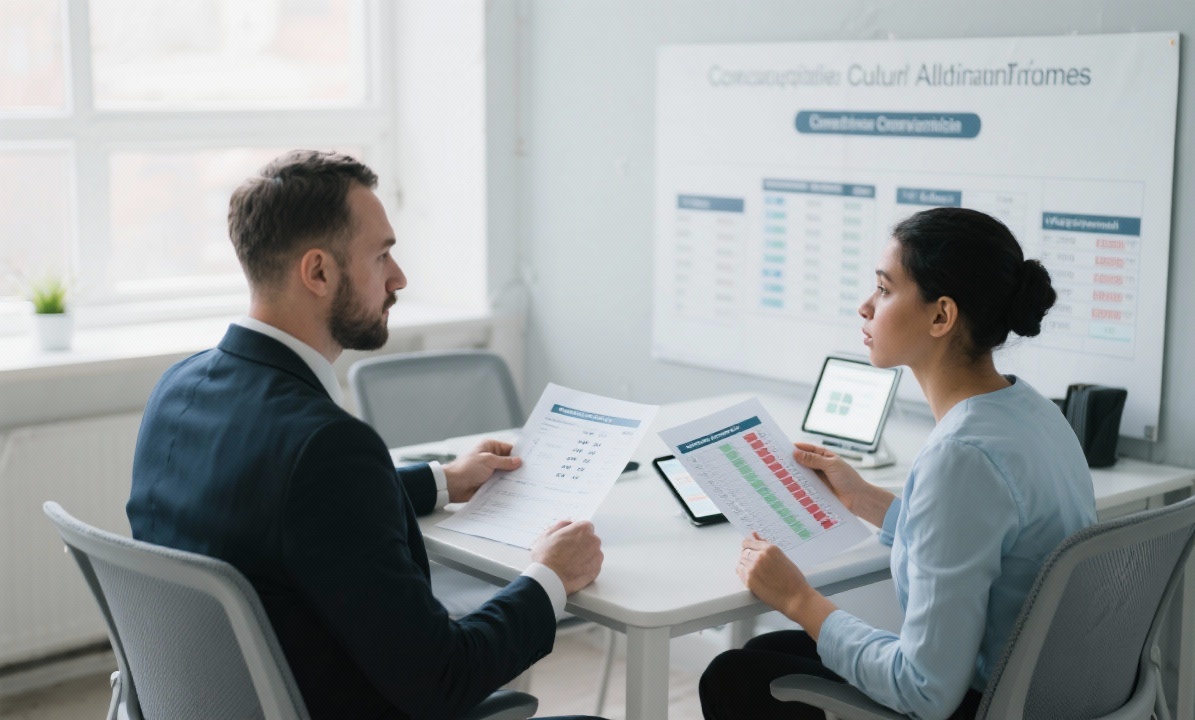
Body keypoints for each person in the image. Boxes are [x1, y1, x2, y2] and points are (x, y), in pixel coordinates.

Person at [128, 150, 605, 720]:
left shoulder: (177, 388)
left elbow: (280, 509)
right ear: (319, 272)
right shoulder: (327, 447)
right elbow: (443, 678)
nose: (399, 278)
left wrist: (442, 481)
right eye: (382, 256)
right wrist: (549, 577)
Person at [699, 207, 1097, 720]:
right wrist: (863, 497)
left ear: (941, 316)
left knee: (736, 677)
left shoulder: (960, 456)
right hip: (1047, 691)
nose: (866, 307)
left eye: (885, 290)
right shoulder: (1033, 411)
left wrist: (797, 597)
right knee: (763, 655)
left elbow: (925, 692)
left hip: (986, 703)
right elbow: (972, 533)